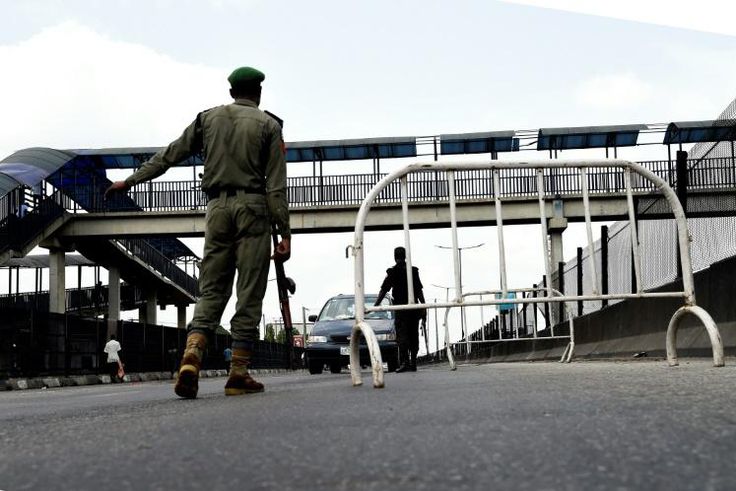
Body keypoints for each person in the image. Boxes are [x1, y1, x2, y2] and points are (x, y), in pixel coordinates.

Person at [105, 66, 291, 398]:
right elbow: (276, 189)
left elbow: (168, 156)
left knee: (212, 290)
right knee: (248, 291)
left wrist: (129, 181)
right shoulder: (269, 125)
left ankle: (192, 354)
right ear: (258, 93)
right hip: (253, 210)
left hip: (216, 210)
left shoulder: (207, 119)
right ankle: (238, 373)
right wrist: (285, 233)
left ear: (232, 91)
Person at [374, 246, 426, 372]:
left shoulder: (393, 272)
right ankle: (413, 362)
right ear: (405, 256)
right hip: (414, 308)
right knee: (413, 334)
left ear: (395, 257)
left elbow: (384, 289)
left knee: (402, 336)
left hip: (401, 309)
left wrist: (376, 305)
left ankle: (405, 362)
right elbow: (419, 291)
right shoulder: (413, 271)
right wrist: (424, 307)